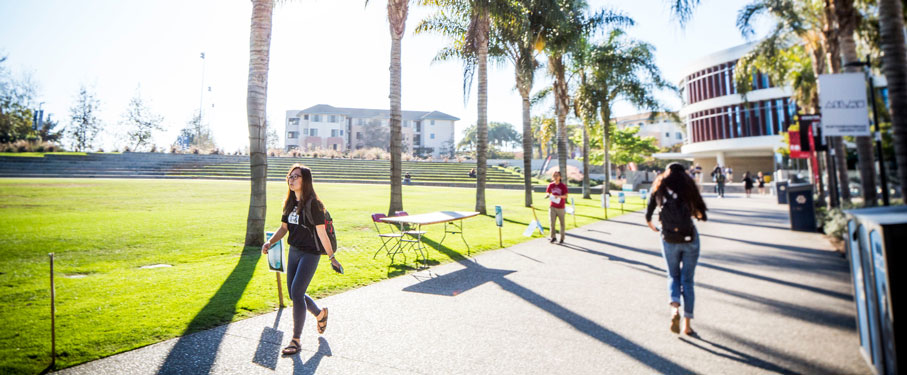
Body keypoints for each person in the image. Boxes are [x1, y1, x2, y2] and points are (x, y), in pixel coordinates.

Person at [262, 164, 343, 356]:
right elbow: (283, 228)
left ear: (305, 180)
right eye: (290, 176)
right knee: (294, 293)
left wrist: (332, 257)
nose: (291, 179)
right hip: (294, 251)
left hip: (310, 253)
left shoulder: (314, 204)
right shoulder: (289, 202)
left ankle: (295, 341)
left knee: (297, 293)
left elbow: (322, 233)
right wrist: (270, 242)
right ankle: (320, 314)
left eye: (296, 176)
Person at [645, 162, 708, 336]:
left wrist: (653, 225)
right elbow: (702, 214)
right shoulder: (688, 186)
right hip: (689, 238)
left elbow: (648, 213)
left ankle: (674, 310)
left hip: (668, 237)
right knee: (687, 280)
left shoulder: (660, 186)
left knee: (673, 275)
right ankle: (687, 325)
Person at [545, 171, 568, 244]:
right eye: (554, 175)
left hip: (561, 207)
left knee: (562, 223)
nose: (555, 177)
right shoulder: (551, 185)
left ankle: (562, 238)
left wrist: (559, 196)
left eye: (557, 175)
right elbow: (547, 192)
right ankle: (553, 237)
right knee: (552, 223)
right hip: (552, 207)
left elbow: (566, 196)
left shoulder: (563, 186)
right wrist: (548, 195)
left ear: (560, 177)